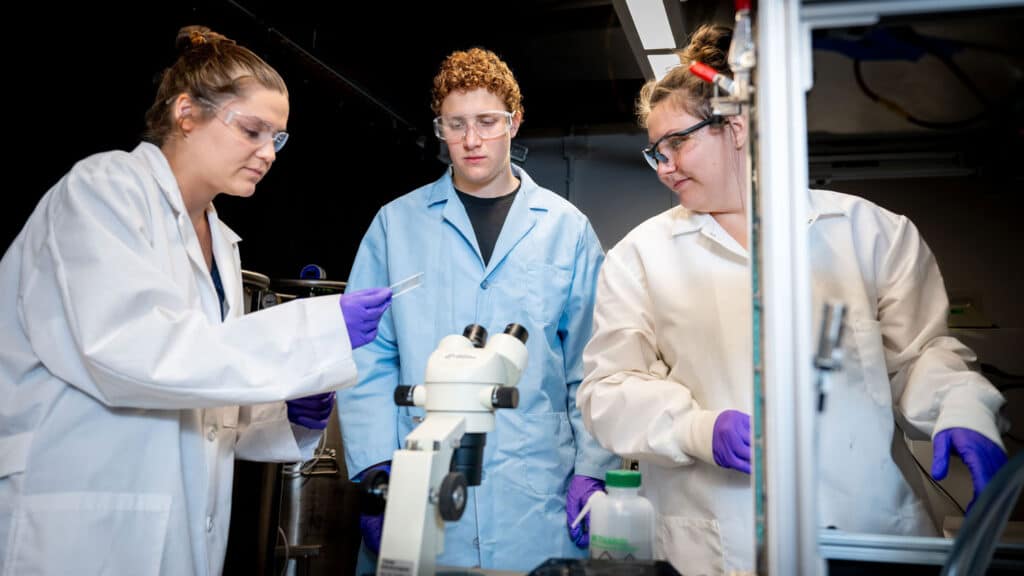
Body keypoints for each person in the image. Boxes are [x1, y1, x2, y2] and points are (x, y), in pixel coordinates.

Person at [577, 24, 1008, 575]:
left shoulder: (869, 231)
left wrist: (963, 410)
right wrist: (698, 429)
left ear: (735, 125)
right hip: (714, 543)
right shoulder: (639, 257)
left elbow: (922, 357)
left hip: (866, 531)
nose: (664, 166)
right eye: (654, 152)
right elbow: (608, 391)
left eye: (677, 143)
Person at [0, 26, 391, 576]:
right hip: (81, 516)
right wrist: (316, 330)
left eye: (277, 139)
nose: (267, 153)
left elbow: (199, 401)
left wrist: (280, 419)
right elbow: (134, 353)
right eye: (253, 130)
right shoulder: (102, 192)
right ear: (187, 113)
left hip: (176, 526)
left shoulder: (221, 242)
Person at [337, 47, 620, 571]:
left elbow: (594, 362)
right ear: (439, 127)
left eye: (487, 122)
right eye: (456, 124)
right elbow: (367, 357)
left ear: (515, 121)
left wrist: (594, 467)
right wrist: (377, 471)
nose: (471, 140)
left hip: (534, 495)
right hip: (417, 482)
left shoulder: (566, 229)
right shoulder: (395, 226)